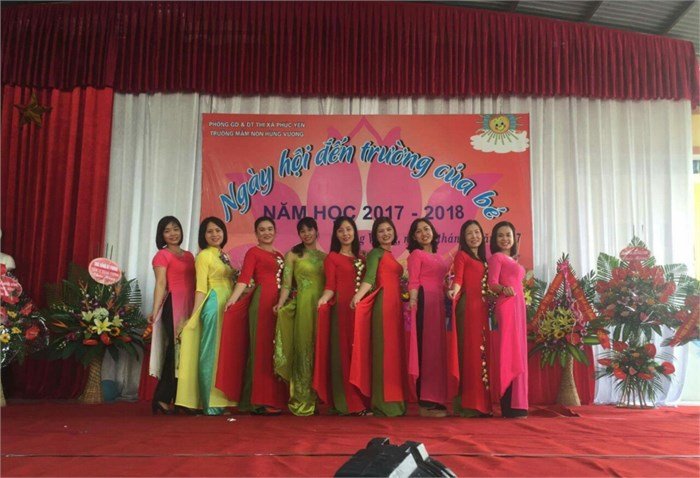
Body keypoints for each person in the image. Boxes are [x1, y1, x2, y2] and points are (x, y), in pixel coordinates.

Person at [223, 217, 288, 414]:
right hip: (261, 302)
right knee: (260, 349)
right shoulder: (253, 252)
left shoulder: (280, 255)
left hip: (277, 304)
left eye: (269, 229)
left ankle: (272, 398)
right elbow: (244, 279)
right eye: (262, 230)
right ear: (256, 233)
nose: (266, 233)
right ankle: (259, 401)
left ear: (275, 231)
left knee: (273, 350)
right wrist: (232, 300)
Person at [174, 217, 236, 415]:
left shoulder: (223, 255)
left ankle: (221, 401)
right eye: (210, 231)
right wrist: (194, 317)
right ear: (203, 235)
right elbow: (200, 288)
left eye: (218, 230)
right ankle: (210, 404)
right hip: (213, 305)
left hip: (227, 306)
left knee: (222, 354)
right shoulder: (203, 256)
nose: (215, 234)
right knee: (211, 353)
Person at [350, 217, 407, 417]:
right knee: (384, 353)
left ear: (394, 232)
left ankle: (394, 401)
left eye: (388, 229)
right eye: (381, 231)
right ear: (375, 235)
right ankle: (383, 403)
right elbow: (370, 278)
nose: (385, 233)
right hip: (383, 306)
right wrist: (357, 296)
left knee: (393, 354)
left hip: (395, 307)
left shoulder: (389, 254)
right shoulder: (375, 253)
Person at [316, 216, 370, 415]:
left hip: (360, 313)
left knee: (359, 356)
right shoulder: (332, 258)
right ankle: (347, 403)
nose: (345, 234)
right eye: (341, 230)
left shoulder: (362, 259)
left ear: (354, 231)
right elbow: (330, 286)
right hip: (342, 311)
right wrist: (323, 299)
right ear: (336, 235)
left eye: (348, 229)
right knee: (344, 356)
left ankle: (362, 400)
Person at [273, 217, 326, 416]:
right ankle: (302, 399)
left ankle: (318, 396)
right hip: (304, 306)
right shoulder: (293, 255)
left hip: (322, 306)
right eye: (302, 231)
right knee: (304, 349)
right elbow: (287, 285)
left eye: (309, 230)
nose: (307, 234)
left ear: (316, 231)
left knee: (319, 350)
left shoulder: (325, 257)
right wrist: (281, 303)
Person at [406, 218, 457, 417]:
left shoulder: (438, 257)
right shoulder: (416, 255)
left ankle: (436, 398)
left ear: (433, 232)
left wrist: (449, 291)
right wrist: (413, 301)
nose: (424, 233)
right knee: (425, 351)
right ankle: (425, 402)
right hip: (424, 302)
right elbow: (413, 281)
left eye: (426, 229)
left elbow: (441, 282)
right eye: (418, 231)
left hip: (438, 304)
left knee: (436, 352)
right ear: (414, 237)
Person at [149, 216, 195, 415]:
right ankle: (162, 398)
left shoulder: (190, 255)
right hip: (173, 305)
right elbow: (160, 284)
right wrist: (154, 310)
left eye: (176, 229)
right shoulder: (162, 255)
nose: (173, 233)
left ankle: (181, 398)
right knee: (174, 352)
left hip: (191, 305)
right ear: (162, 235)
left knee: (187, 352)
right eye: (167, 231)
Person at [448, 220, 492, 417]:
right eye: (469, 233)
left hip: (481, 310)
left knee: (480, 355)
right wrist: (454, 291)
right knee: (470, 355)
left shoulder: (483, 260)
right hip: (468, 309)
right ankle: (470, 405)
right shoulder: (462, 255)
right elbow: (458, 278)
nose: (474, 236)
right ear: (463, 238)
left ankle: (480, 403)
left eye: (477, 232)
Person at [487, 221, 528, 418]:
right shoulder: (497, 258)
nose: (505, 239)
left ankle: (519, 403)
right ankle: (510, 404)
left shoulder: (513, 260)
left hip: (518, 307)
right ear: (495, 240)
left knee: (517, 351)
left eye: (508, 235)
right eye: (500, 235)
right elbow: (492, 284)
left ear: (514, 238)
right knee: (510, 351)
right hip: (507, 305)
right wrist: (504, 289)